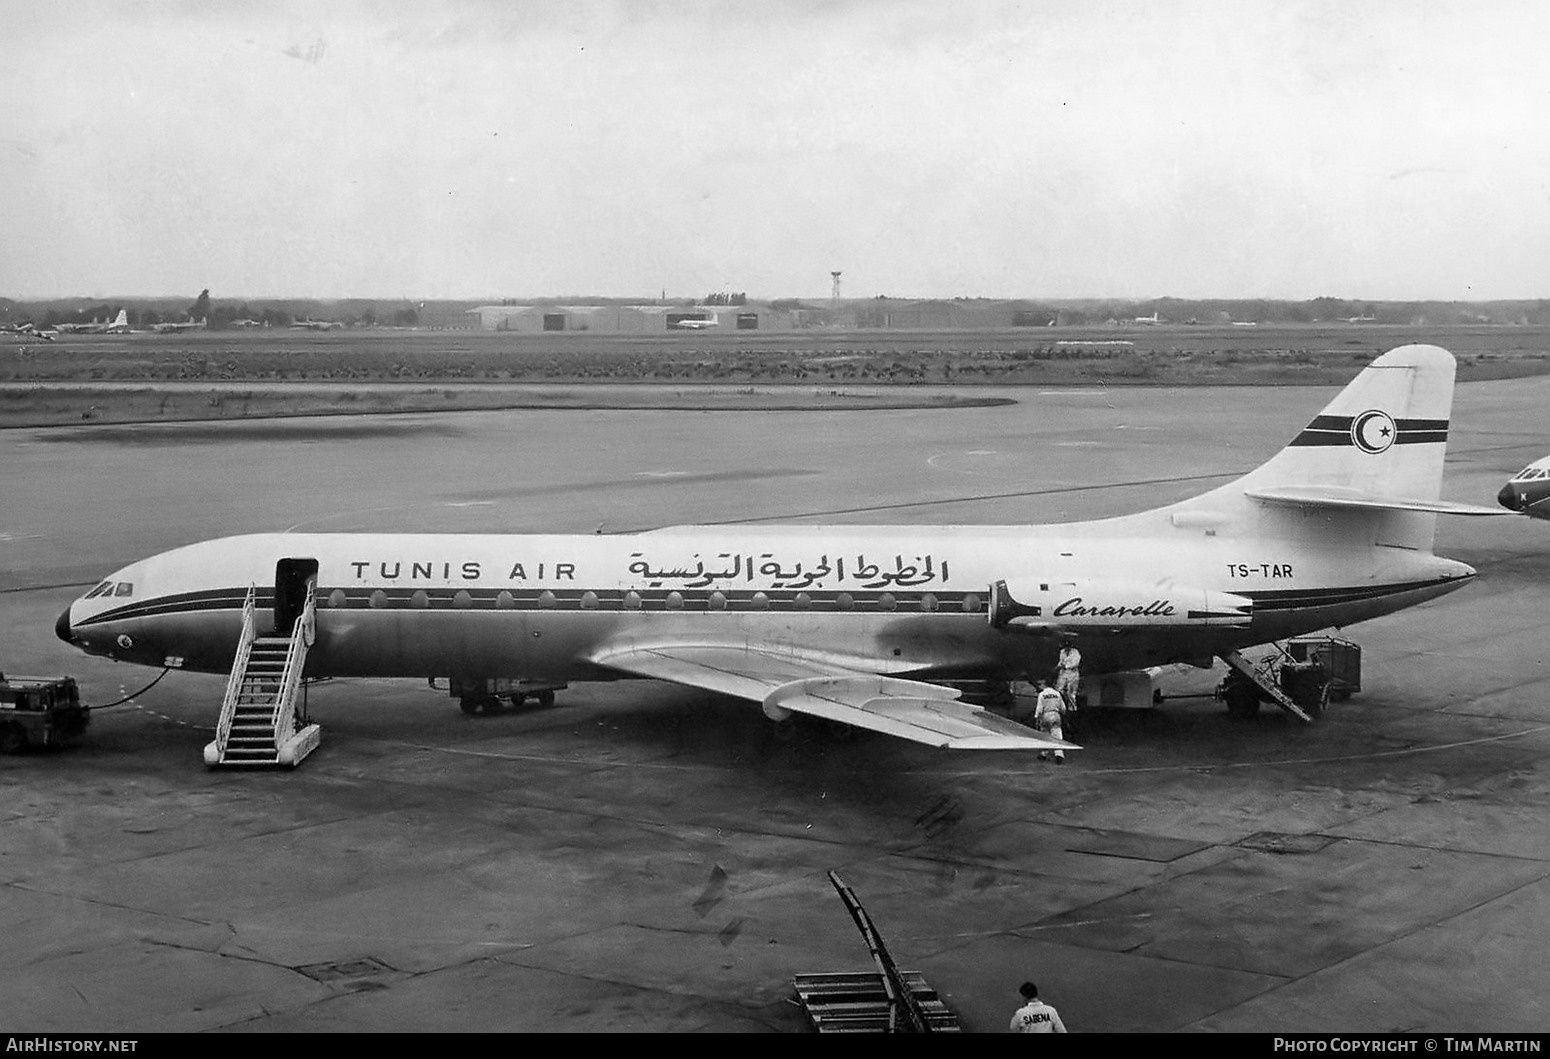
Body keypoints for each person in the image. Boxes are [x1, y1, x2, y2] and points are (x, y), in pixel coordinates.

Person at [1034, 680, 1067, 764]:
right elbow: (1063, 708)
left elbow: (1039, 708)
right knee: (1057, 735)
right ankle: (1059, 754)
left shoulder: (1042, 694)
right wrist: (1063, 714)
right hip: (1055, 714)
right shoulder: (1057, 694)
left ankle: (1043, 754)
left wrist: (1037, 718)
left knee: (1045, 735)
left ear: (1044, 685)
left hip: (1045, 715)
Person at [1055, 639, 1082, 734]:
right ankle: (1059, 706)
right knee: (1058, 690)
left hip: (1072, 672)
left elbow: (1074, 663)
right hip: (1063, 672)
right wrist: (1058, 666)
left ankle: (1072, 709)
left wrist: (1065, 665)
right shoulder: (1062, 652)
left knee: (1071, 693)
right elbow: (1060, 661)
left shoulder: (1075, 653)